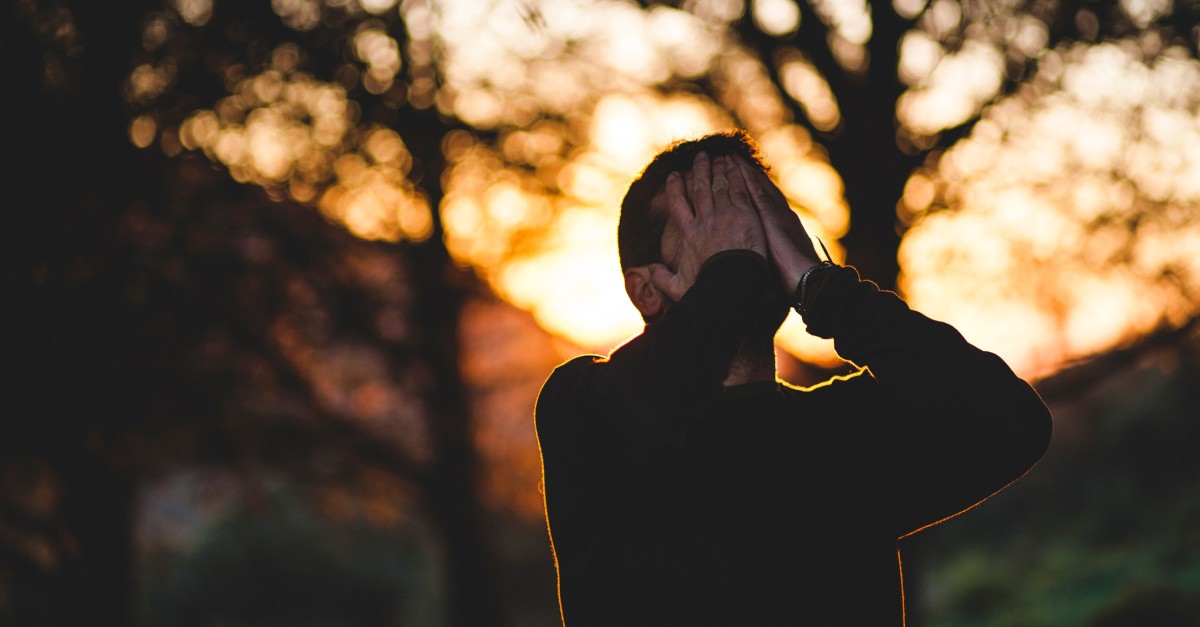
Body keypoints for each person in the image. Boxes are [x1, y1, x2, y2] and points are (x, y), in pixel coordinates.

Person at [534, 130, 1052, 626]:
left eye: (757, 219)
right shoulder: (581, 412)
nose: (745, 241)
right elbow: (653, 404)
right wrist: (730, 272)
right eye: (712, 223)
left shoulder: (848, 430)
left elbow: (1012, 423)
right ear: (646, 290)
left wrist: (822, 287)